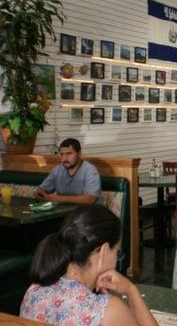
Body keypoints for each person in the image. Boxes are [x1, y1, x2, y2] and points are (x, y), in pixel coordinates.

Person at [20, 205, 159, 326]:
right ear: (104, 251)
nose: (117, 258)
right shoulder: (108, 311)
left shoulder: (33, 291)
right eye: (117, 251)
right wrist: (131, 290)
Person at [36, 138, 101, 204]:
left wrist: (59, 198)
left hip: (84, 212)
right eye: (62, 154)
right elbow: (40, 190)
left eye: (69, 153)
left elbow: (91, 199)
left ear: (79, 153)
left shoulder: (90, 170)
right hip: (60, 211)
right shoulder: (57, 170)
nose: (65, 158)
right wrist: (41, 195)